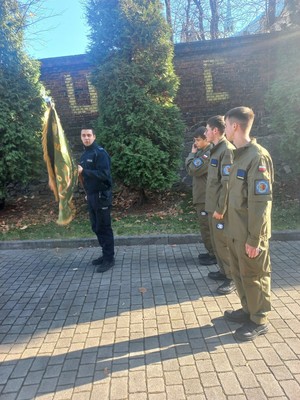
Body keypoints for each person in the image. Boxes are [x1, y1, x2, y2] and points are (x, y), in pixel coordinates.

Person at [223, 106, 274, 341]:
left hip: (249, 233)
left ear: (235, 126)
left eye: (225, 125)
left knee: (254, 275)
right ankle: (247, 310)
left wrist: (255, 238)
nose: (224, 130)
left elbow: (260, 204)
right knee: (239, 273)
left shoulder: (257, 157)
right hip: (236, 230)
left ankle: (259, 319)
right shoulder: (238, 154)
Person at [204, 115, 236, 295]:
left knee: (223, 243)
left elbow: (227, 183)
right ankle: (223, 271)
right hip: (211, 206)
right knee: (216, 242)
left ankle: (231, 277)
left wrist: (220, 209)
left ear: (215, 130)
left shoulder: (227, 150)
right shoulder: (215, 149)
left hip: (219, 208)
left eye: (207, 129)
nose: (206, 132)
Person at [78, 128, 115, 272]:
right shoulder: (84, 155)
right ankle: (105, 254)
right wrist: (87, 193)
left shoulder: (100, 153)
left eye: (89, 135)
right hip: (92, 196)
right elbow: (86, 178)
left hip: (102, 196)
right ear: (81, 137)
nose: (86, 138)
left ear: (94, 136)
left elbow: (104, 175)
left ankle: (109, 259)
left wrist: (84, 171)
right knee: (96, 227)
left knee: (104, 227)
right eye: (83, 135)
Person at [185, 126, 216, 265]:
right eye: (194, 140)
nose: (195, 143)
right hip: (201, 196)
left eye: (198, 140)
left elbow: (192, 169)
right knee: (205, 227)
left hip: (205, 197)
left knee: (207, 228)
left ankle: (214, 254)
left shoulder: (207, 154)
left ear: (206, 139)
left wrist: (191, 154)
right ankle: (211, 251)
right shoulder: (202, 152)